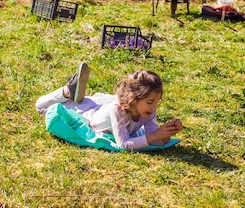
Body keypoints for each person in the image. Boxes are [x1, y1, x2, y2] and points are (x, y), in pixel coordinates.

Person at [36, 63, 184, 151]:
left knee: (93, 103)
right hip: (86, 112)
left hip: (101, 106)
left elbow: (154, 140)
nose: (153, 108)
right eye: (150, 102)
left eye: (156, 102)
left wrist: (166, 133)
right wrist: (155, 135)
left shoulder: (147, 111)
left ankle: (74, 93)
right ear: (133, 98)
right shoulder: (118, 110)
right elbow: (124, 144)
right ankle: (67, 91)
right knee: (41, 107)